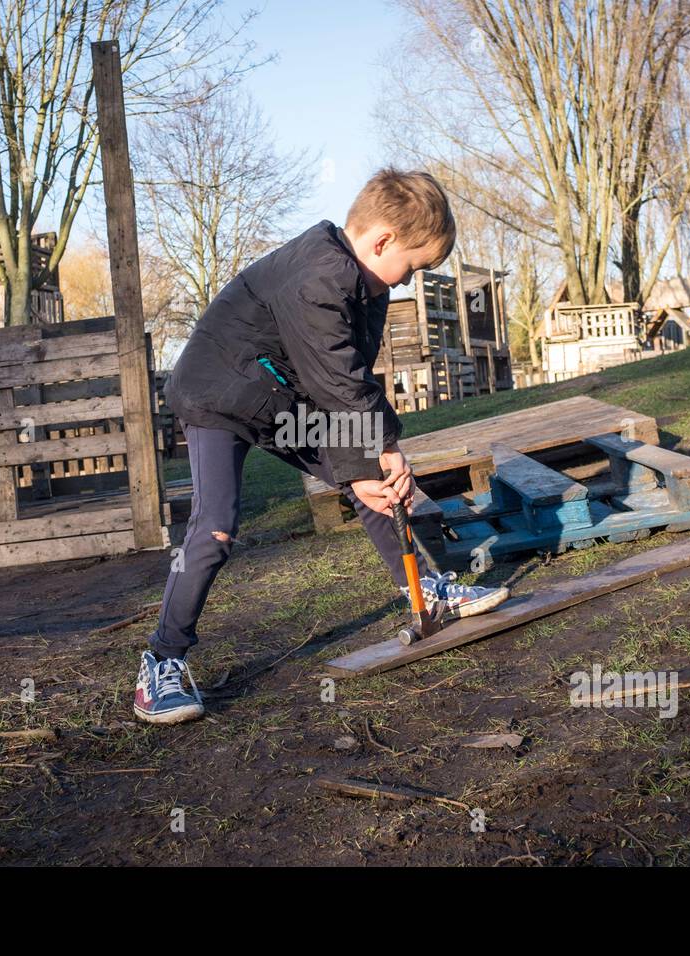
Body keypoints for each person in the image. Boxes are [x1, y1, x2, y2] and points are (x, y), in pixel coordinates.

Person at [135, 168, 509, 724]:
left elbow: (351, 376)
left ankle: (424, 590)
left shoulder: (367, 283)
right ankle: (161, 662)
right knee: (215, 525)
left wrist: (383, 451)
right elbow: (336, 380)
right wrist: (371, 450)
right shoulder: (317, 275)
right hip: (218, 396)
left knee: (377, 483)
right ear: (382, 241)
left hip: (280, 394)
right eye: (413, 265)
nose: (409, 280)